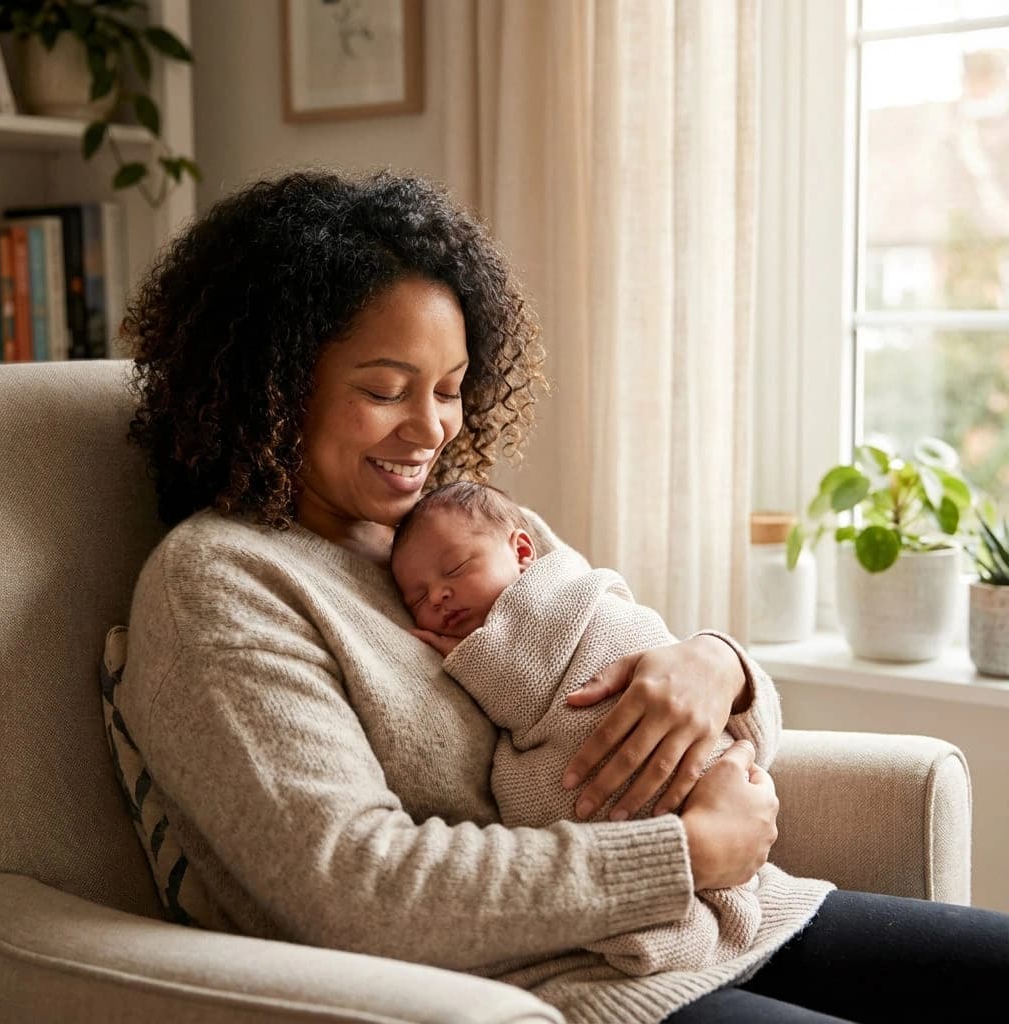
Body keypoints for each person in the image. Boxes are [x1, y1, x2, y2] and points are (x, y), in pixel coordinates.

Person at [119, 167, 1008, 1024]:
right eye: (385, 390)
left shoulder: (456, 525)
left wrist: (719, 669)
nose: (430, 429)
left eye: (451, 390)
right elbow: (359, 887)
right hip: (568, 987)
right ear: (274, 384)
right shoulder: (221, 583)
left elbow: (629, 658)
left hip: (733, 922)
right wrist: (685, 854)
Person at [389, 479, 826, 978]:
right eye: (418, 597)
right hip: (621, 898)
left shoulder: (556, 592)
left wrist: (723, 664)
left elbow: (539, 673)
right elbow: (529, 699)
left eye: (456, 569)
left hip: (736, 836)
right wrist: (696, 847)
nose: (439, 595)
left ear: (524, 551)